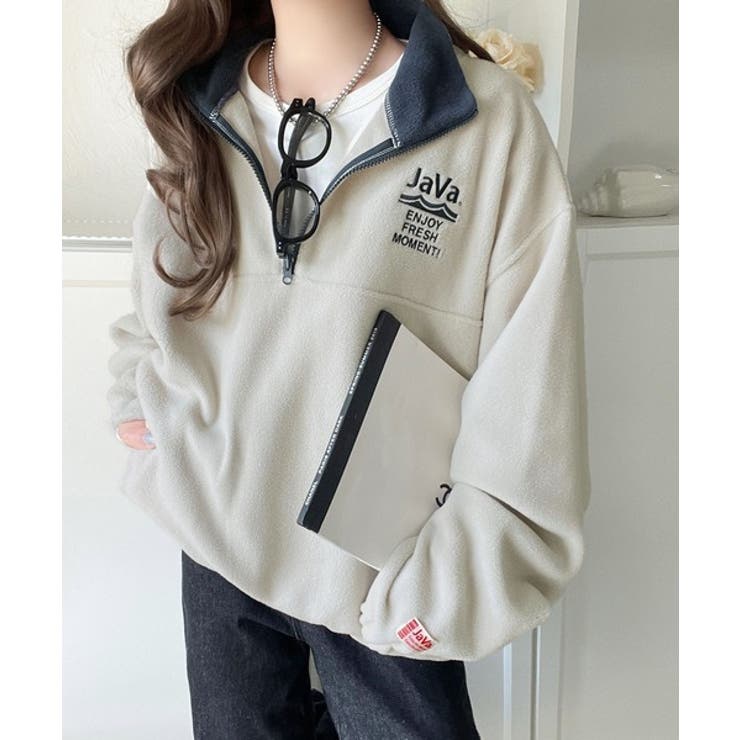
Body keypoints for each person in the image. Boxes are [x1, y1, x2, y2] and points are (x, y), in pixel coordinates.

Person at [107, 0, 592, 737]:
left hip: (384, 571)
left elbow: (531, 393)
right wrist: (140, 406)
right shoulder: (202, 101)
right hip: (217, 550)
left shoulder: (485, 119)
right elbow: (155, 304)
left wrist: (440, 599)